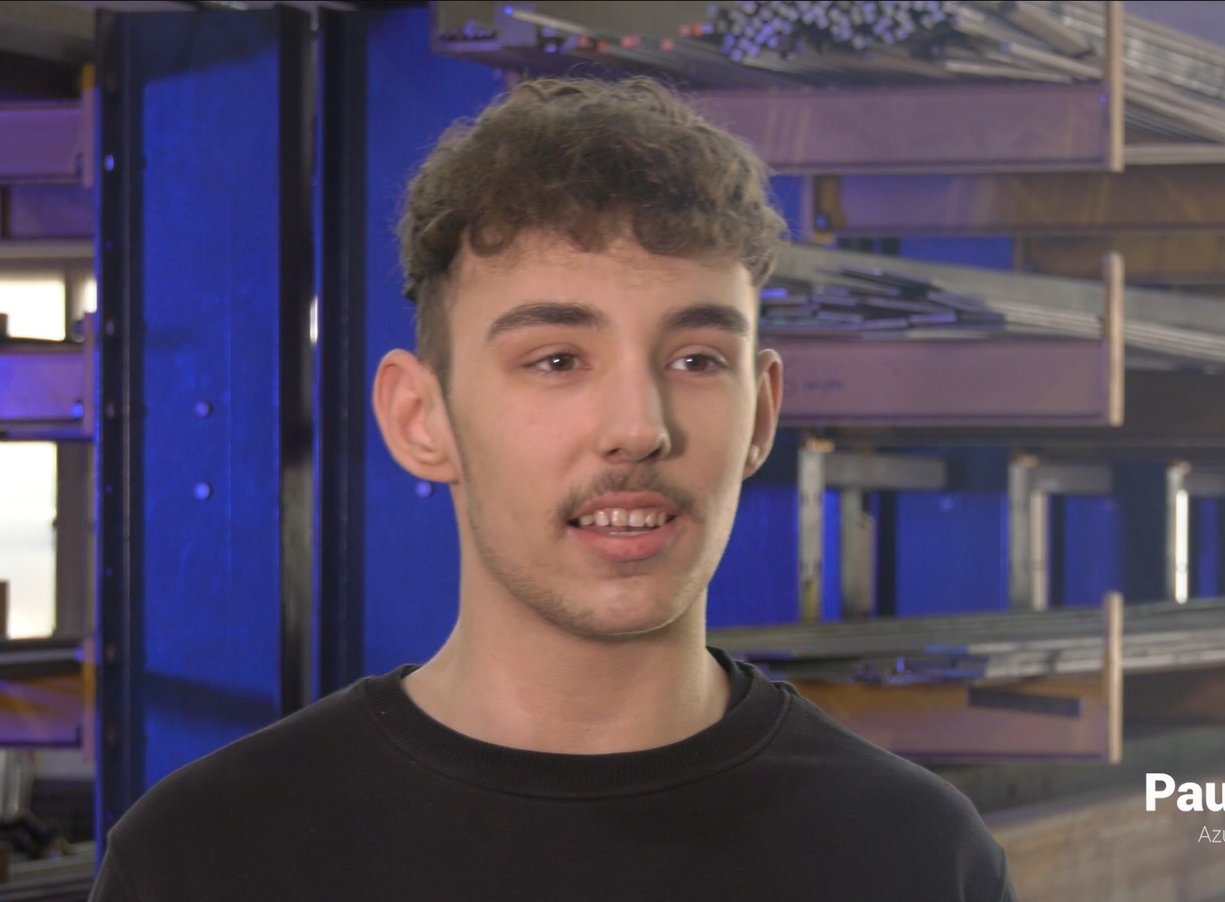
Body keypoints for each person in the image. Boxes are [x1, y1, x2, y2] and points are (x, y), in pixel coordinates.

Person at [91, 77, 1016, 901]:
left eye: (697, 359)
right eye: (558, 360)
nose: (639, 427)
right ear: (421, 418)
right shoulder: (206, 861)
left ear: (761, 413)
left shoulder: (914, 857)